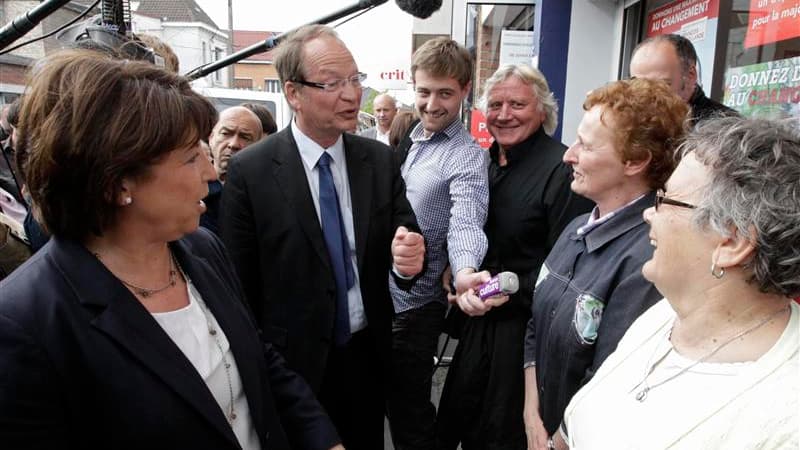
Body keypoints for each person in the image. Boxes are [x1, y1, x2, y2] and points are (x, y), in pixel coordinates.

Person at [0, 49, 343, 450]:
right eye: (189, 158)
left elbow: (259, 362)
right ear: (117, 183)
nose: (211, 171)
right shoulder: (24, 322)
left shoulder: (201, 248)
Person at [219, 25, 425, 450]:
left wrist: (408, 258)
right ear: (293, 93)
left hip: (367, 357)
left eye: (355, 80)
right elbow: (241, 290)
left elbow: (404, 239)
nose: (352, 95)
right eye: (333, 84)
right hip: (292, 371)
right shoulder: (251, 172)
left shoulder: (379, 161)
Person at [563, 116, 800, 449]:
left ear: (731, 243)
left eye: (666, 199)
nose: (649, 212)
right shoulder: (666, 317)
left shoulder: (785, 417)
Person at [522, 78, 689, 450]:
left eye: (586, 145)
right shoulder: (574, 229)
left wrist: (556, 442)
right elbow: (537, 324)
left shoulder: (650, 257)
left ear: (635, 161)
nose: (568, 155)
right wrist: (531, 415)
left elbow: (614, 378)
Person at [435, 64, 593, 450]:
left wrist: (495, 288)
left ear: (543, 110)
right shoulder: (482, 163)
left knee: (502, 437)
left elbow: (565, 270)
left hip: (523, 337)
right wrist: (452, 270)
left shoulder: (561, 171)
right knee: (459, 427)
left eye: (517, 104)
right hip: (476, 328)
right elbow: (466, 230)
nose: (504, 114)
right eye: (495, 104)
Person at [386, 36, 490, 450]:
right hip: (388, 295)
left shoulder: (467, 155)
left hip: (416, 310)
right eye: (424, 91)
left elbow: (467, 219)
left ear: (465, 90)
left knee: (409, 415)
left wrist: (464, 269)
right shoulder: (414, 139)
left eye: (445, 93)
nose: (432, 104)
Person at [630, 34, 737, 127]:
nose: (647, 95)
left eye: (660, 86)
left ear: (690, 75)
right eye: (638, 85)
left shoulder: (725, 130)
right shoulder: (629, 123)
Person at [208, 106, 264, 183]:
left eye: (245, 137)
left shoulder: (267, 189)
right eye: (225, 133)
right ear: (211, 137)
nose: (234, 144)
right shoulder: (191, 181)